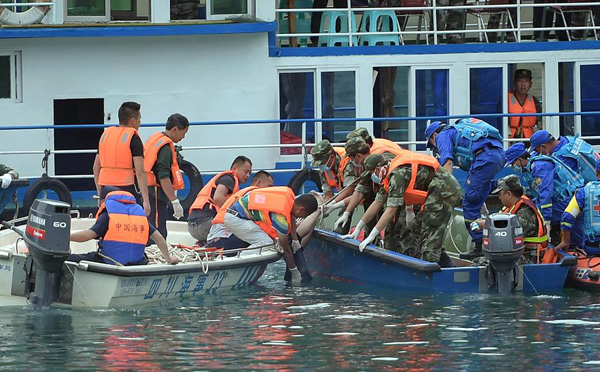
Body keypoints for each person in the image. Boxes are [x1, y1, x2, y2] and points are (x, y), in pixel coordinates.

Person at [346, 151, 461, 267]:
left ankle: (431, 271)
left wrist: (371, 236)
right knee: (416, 229)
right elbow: (378, 202)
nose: (372, 176)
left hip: (445, 190)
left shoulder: (397, 175)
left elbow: (391, 210)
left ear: (379, 168)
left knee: (429, 231)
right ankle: (432, 263)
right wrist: (359, 227)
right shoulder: (388, 177)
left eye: (372, 172)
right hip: (435, 192)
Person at [425, 118, 506, 259]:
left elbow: (448, 163)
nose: (435, 147)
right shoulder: (457, 132)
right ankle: (489, 239)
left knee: (469, 204)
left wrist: (448, 191)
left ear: (434, 136)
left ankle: (479, 243)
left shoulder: (442, 136)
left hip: (484, 158)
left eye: (432, 143)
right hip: (497, 156)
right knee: (478, 199)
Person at [223, 186, 318, 282]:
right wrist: (294, 270)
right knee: (267, 243)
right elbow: (285, 248)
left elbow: (292, 217)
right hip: (235, 219)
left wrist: (295, 240)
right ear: (301, 210)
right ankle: (238, 263)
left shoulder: (289, 196)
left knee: (267, 242)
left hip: (236, 214)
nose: (300, 218)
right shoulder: (280, 216)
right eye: (303, 216)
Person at [68, 187, 178, 265]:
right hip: (136, 263)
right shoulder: (138, 214)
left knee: (70, 258)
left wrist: (66, 237)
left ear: (103, 200)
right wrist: (168, 258)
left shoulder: (109, 214)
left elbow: (88, 235)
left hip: (110, 261)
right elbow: (158, 237)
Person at [505, 142, 584, 246]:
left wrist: (545, 220)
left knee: (533, 215)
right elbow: (535, 191)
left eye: (513, 163)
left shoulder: (539, 166)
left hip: (565, 201)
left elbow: (545, 193)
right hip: (560, 200)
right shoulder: (529, 168)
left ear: (519, 159)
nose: (513, 166)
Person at [334, 136, 406, 233]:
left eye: (351, 158)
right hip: (395, 197)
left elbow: (389, 206)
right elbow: (360, 191)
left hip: (407, 200)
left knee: (399, 231)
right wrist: (346, 213)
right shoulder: (372, 164)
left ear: (358, 156)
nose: (350, 162)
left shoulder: (385, 164)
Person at [93, 101, 151, 216]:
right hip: (126, 189)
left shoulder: (106, 135)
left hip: (106, 189)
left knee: (109, 222)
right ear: (133, 120)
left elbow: (95, 167)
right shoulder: (133, 138)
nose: (140, 122)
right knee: (136, 221)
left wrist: (100, 193)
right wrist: (146, 201)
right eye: (140, 118)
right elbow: (140, 172)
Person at [480, 175, 549, 263]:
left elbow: (507, 239)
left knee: (484, 263)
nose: (499, 197)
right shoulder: (509, 207)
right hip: (516, 252)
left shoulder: (524, 212)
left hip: (530, 256)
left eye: (500, 194)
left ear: (508, 194)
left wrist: (486, 225)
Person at [143, 113, 189, 239]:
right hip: (156, 195)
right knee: (158, 231)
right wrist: (175, 201)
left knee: (149, 226)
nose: (183, 137)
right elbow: (163, 177)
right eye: (183, 133)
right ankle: (156, 254)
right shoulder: (165, 148)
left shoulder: (155, 138)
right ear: (175, 129)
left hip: (146, 190)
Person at [187, 156, 252, 245]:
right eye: (246, 171)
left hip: (192, 227)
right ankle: (216, 246)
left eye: (250, 173)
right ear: (234, 168)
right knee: (241, 229)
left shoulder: (225, 179)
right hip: (206, 224)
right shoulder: (229, 179)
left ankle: (201, 244)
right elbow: (218, 198)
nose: (248, 175)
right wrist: (236, 214)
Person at [206, 170, 275, 251]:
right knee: (266, 242)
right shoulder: (254, 195)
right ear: (259, 182)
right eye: (269, 186)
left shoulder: (243, 194)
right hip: (224, 237)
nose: (271, 190)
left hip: (214, 237)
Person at [557, 159, 600, 255]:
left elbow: (567, 217)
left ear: (596, 172)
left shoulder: (583, 192)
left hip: (592, 247)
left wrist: (565, 241)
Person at [529, 130, 597, 183]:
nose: (537, 153)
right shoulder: (569, 140)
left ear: (543, 146)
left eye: (537, 151)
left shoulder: (562, 158)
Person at [504, 69, 542, 139]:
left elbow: (540, 121)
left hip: (529, 138)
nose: (523, 84)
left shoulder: (534, 100)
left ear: (530, 84)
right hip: (510, 138)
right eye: (520, 81)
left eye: (526, 81)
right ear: (515, 83)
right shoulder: (505, 99)